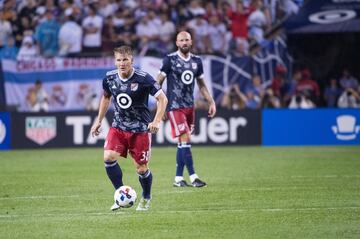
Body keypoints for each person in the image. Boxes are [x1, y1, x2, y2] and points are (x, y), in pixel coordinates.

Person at [90, 46, 168, 211]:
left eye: (125, 59)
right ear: (115, 61)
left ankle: (146, 197)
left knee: (141, 168)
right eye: (118, 60)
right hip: (118, 126)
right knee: (108, 157)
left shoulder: (143, 78)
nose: (122, 63)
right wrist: (99, 120)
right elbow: (106, 97)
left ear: (132, 60)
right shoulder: (109, 78)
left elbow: (163, 99)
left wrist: (157, 121)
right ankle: (120, 194)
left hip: (140, 130)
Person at [157, 31, 216, 188]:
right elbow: (157, 84)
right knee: (186, 138)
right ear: (177, 43)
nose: (184, 42)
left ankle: (178, 178)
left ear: (191, 42)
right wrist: (161, 106)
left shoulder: (197, 61)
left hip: (190, 107)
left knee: (182, 143)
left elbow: (202, 85)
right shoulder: (169, 60)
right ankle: (193, 177)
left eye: (187, 40)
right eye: (181, 40)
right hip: (174, 107)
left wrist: (211, 101)